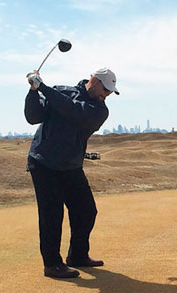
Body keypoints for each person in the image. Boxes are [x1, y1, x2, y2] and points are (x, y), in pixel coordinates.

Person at [25, 68, 119, 278]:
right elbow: (33, 117)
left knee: (86, 211)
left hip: (70, 165)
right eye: (105, 89)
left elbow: (75, 112)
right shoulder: (61, 92)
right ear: (93, 81)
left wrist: (44, 88)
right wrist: (33, 91)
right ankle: (52, 264)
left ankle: (77, 255)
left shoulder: (99, 110)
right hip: (44, 162)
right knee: (51, 215)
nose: (107, 95)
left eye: (111, 92)